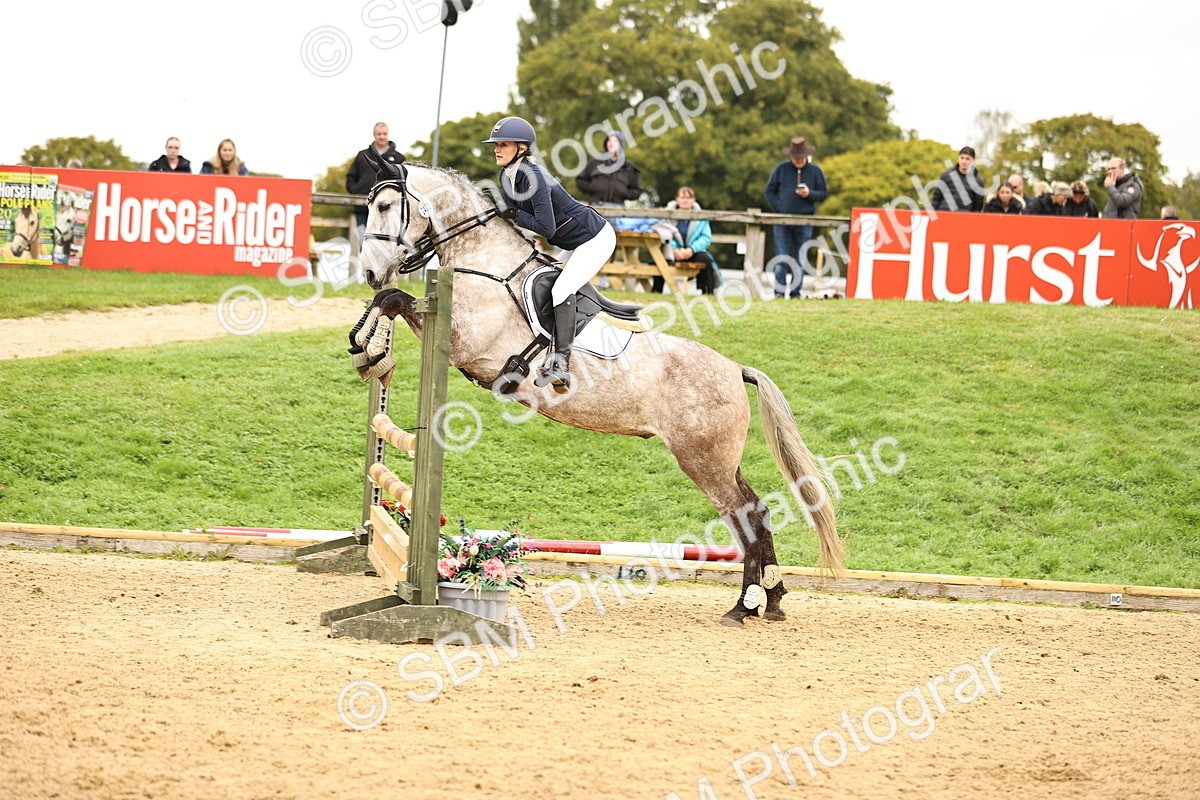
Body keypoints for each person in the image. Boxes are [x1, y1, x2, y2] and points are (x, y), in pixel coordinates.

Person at [485, 116, 616, 393]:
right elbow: (513, 218)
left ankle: (561, 366)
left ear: (521, 148)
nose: (496, 149)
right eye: (496, 144)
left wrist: (514, 213)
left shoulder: (533, 175)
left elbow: (546, 226)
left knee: (561, 290)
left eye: (503, 144)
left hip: (594, 238)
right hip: (570, 242)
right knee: (538, 285)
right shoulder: (506, 175)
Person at [764, 136, 828, 298]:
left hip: (805, 221)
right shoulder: (781, 169)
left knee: (800, 259)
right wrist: (779, 208)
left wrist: (809, 194)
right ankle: (779, 292)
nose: (798, 160)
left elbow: (823, 194)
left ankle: (795, 293)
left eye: (801, 157)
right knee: (781, 258)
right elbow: (769, 191)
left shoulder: (815, 171)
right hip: (782, 220)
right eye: (795, 157)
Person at [651, 186, 720, 295]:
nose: (685, 200)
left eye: (688, 197)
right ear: (677, 199)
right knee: (659, 258)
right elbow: (664, 233)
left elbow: (706, 238)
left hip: (692, 252)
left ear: (693, 200)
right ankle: (656, 292)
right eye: (682, 197)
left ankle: (708, 293)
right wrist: (674, 249)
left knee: (705, 258)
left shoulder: (702, 217)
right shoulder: (667, 215)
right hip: (672, 251)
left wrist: (691, 250)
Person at [346, 122, 405, 240]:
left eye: (384, 134)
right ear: (374, 135)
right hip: (362, 208)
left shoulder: (399, 158)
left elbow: (403, 182)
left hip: (387, 210)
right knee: (363, 241)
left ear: (388, 135)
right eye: (379, 134)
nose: (382, 136)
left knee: (384, 243)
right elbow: (351, 177)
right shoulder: (362, 155)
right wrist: (356, 190)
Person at [575, 131, 643, 206]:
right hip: (595, 206)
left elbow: (637, 190)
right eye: (609, 140)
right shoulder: (595, 162)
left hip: (618, 209)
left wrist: (624, 193)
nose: (611, 143)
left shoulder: (628, 168)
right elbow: (580, 181)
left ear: (621, 145)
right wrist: (593, 188)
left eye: (615, 141)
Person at [930, 146, 985, 214]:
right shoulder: (946, 176)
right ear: (958, 158)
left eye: (967, 159)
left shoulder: (978, 182)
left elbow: (977, 208)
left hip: (964, 219)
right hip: (943, 215)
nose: (964, 161)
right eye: (962, 158)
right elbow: (936, 200)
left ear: (973, 160)